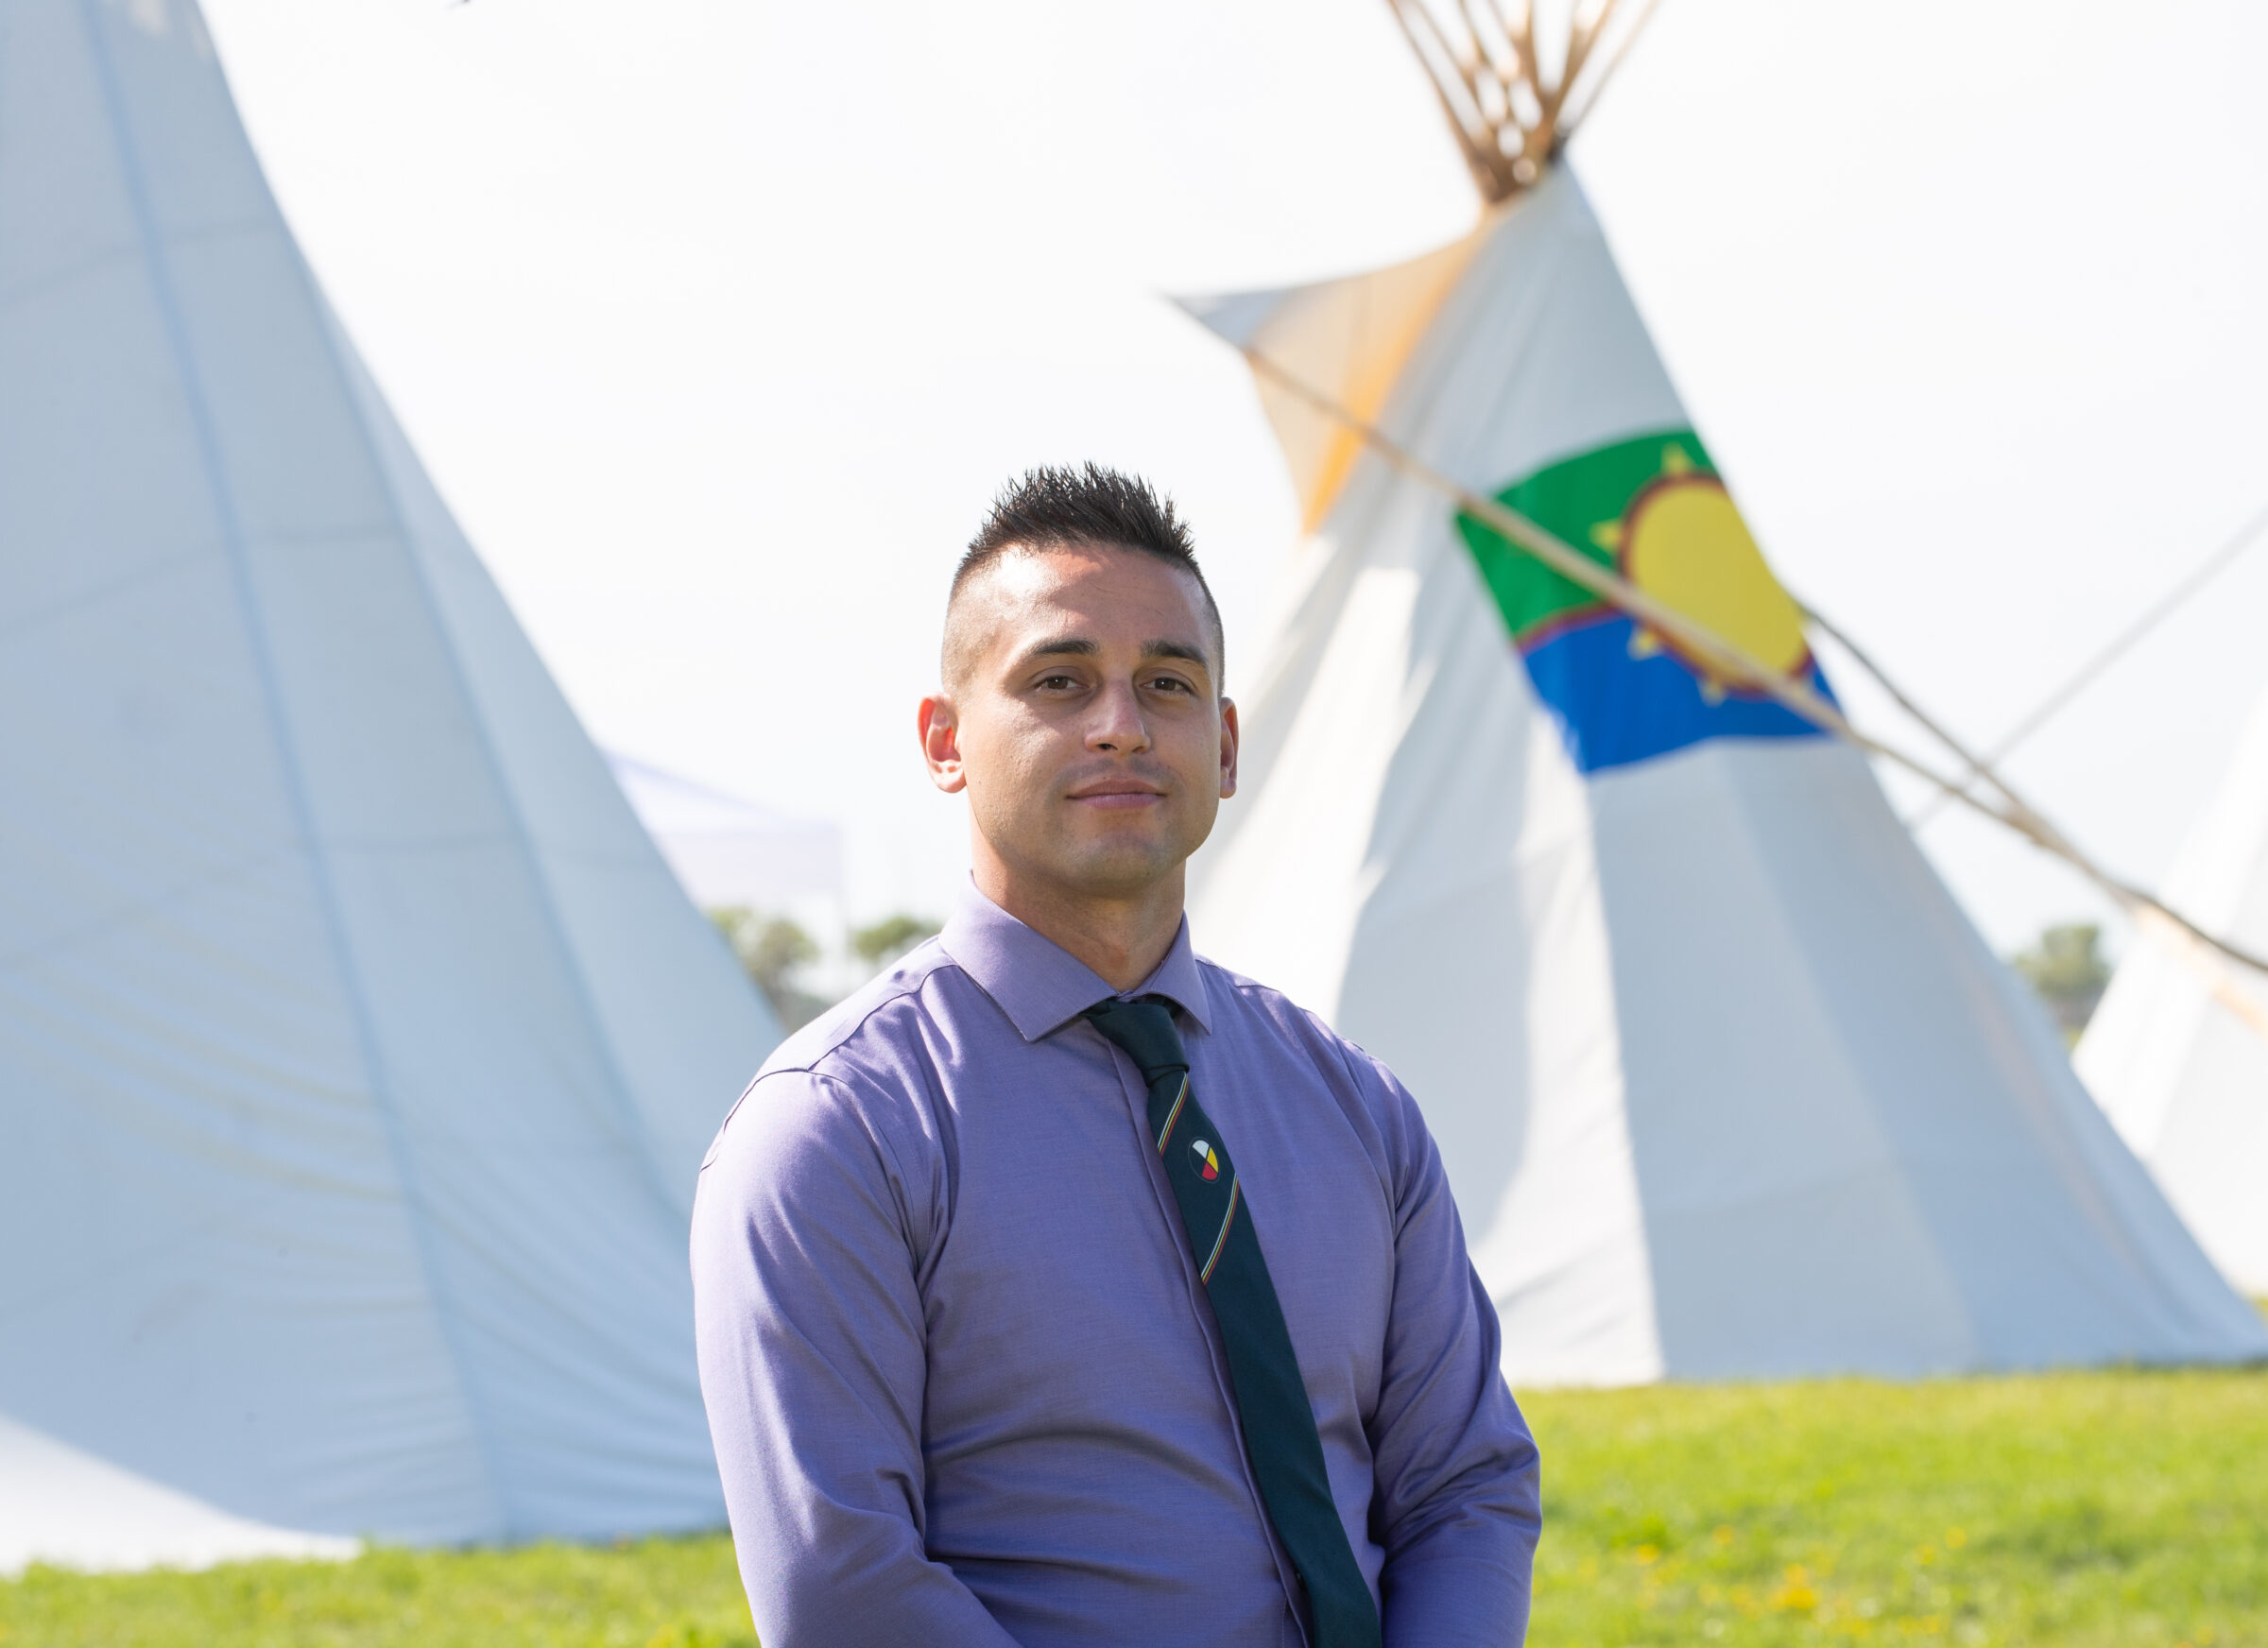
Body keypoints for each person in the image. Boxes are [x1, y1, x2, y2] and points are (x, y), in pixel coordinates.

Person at [692, 465, 1540, 1647]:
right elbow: (842, 1585)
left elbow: (1466, 1488)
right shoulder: (837, 1132)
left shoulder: (1356, 1109)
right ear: (946, 739)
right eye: (1058, 680)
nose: (1122, 725)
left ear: (1227, 743)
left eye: (1168, 685)